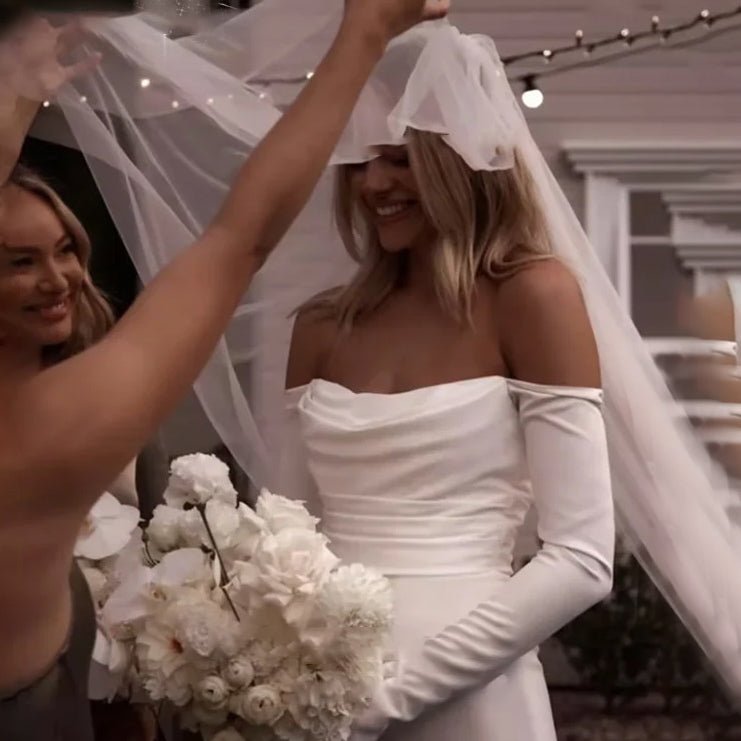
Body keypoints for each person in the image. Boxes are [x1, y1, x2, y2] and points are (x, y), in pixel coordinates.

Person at [0, 1, 449, 738]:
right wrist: (361, 35)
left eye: (62, 251)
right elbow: (240, 237)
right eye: (17, 261)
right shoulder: (46, 439)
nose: (56, 279)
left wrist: (13, 92)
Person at [282, 103, 615, 741]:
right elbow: (287, 532)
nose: (372, 183)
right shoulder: (321, 324)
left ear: (467, 165)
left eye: (400, 160)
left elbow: (582, 559)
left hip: (471, 697)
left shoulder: (534, 296)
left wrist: (386, 699)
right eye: (361, 162)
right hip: (316, 694)